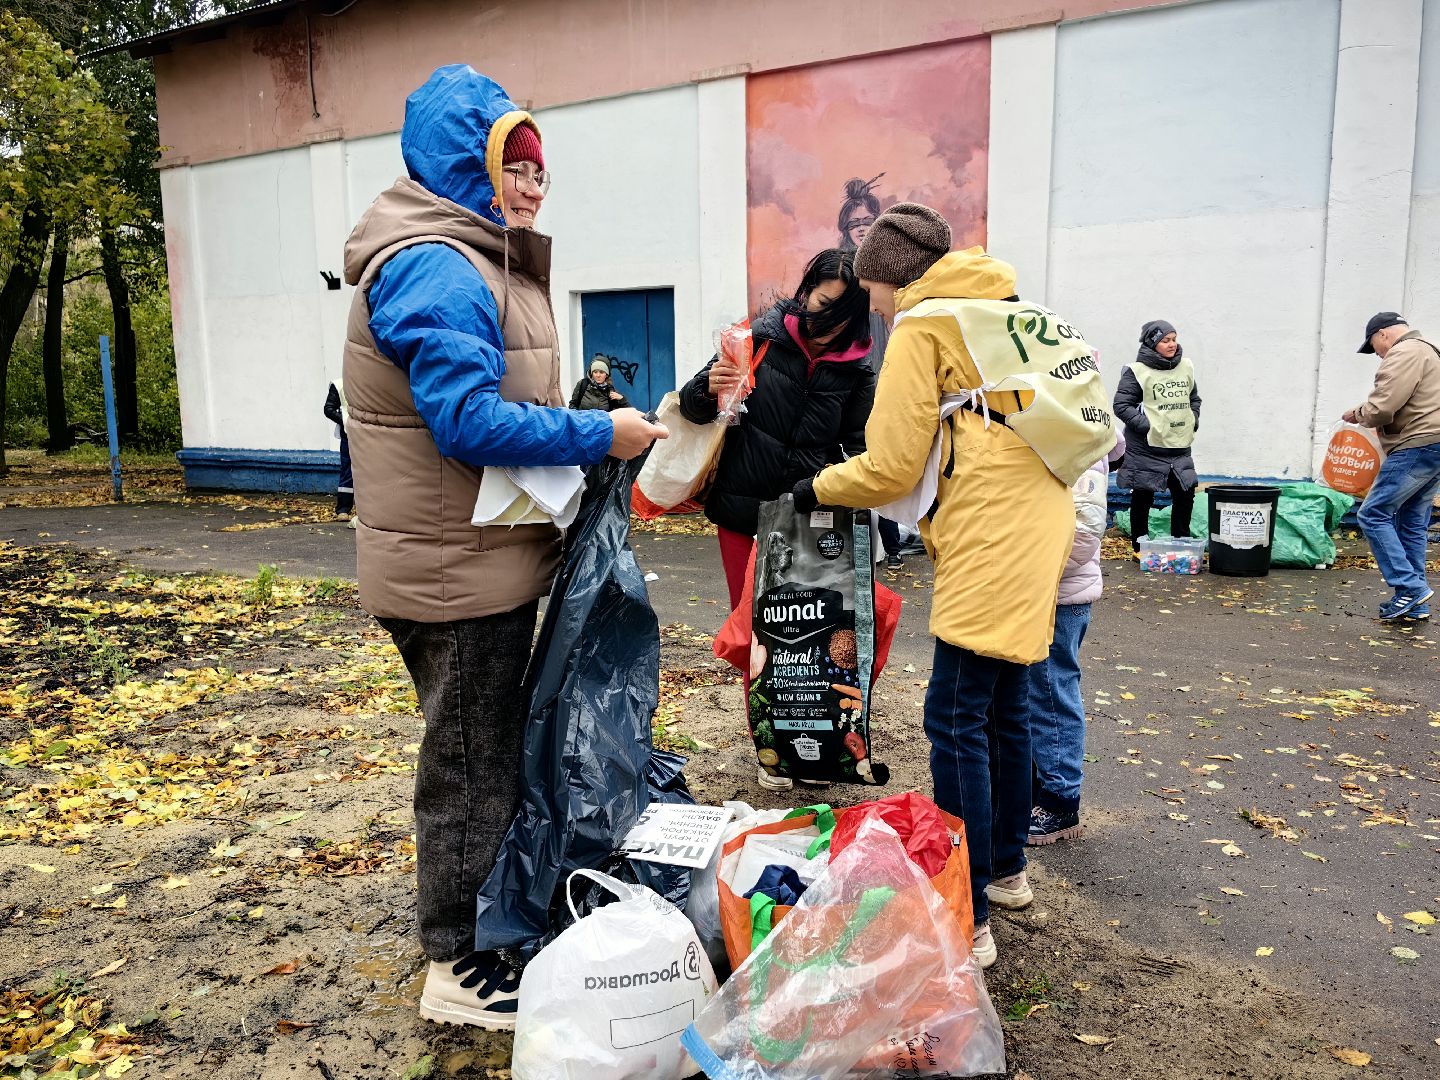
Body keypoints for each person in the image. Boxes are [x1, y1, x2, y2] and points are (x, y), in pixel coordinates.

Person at [342, 64, 665, 1031]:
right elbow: (468, 423)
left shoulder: (475, 257)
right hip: (451, 573)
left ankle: (486, 924)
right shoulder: (437, 262)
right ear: (466, 165)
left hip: (470, 556)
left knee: (481, 748)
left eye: (540, 170)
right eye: (515, 166)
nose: (533, 185)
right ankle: (456, 965)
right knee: (472, 759)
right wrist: (597, 438)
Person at [792, 204, 1086, 969]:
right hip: (1043, 513)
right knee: (1007, 702)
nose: (876, 307)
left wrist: (817, 486)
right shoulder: (1000, 306)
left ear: (892, 275)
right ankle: (1010, 868)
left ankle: (969, 908)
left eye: (875, 291)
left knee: (954, 713)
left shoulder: (926, 327)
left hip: (992, 527)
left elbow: (890, 464)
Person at [678, 247, 876, 791]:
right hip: (743, 511)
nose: (827, 326)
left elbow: (860, 447)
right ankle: (771, 747)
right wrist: (708, 387)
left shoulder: (858, 368)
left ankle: (811, 743)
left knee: (806, 637)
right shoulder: (756, 339)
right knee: (757, 633)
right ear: (804, 290)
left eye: (842, 316)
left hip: (808, 517)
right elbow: (697, 408)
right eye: (820, 305)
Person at [1027, 429, 1126, 845]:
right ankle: (1039, 787)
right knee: (1035, 689)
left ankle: (1060, 801)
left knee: (1051, 690)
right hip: (1042, 586)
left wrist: (1028, 573)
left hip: (1058, 591)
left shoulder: (1079, 433)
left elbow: (1082, 534)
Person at [1343, 311, 1440, 620]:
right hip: (1434, 446)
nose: (1378, 354)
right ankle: (1414, 603)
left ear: (1383, 334)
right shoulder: (1430, 350)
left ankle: (1410, 588)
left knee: (1372, 514)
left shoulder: (1404, 351)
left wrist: (1357, 413)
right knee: (1411, 521)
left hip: (1416, 446)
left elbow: (1383, 407)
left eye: (1374, 347)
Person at [838, 177, 906, 570]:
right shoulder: (841, 269)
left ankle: (893, 544)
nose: (861, 227)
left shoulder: (889, 268)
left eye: (867, 220)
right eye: (854, 223)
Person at [1113, 321, 1202, 546]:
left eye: (1174, 339)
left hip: (1179, 444)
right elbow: (1122, 405)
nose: (1172, 344)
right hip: (1147, 447)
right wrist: (1147, 426)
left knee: (1185, 491)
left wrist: (1192, 419)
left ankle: (1181, 543)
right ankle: (1140, 546)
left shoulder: (1186, 367)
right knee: (1144, 494)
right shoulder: (1137, 372)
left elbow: (1194, 398)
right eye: (1165, 340)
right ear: (1153, 344)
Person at [322, 380, 353, 517]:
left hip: (368, 432)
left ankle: (366, 509)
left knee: (369, 470)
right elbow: (328, 409)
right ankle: (343, 509)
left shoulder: (368, 379)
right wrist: (346, 421)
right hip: (349, 433)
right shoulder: (339, 384)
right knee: (348, 470)